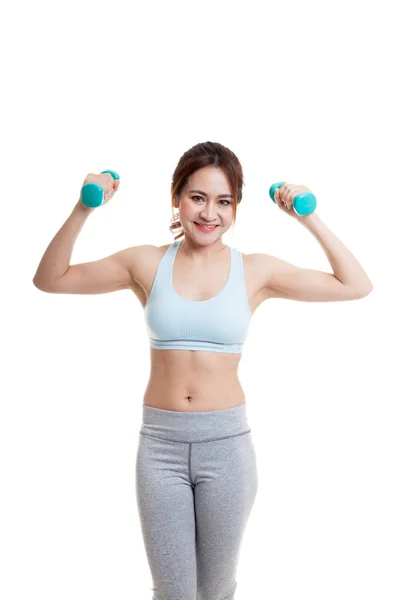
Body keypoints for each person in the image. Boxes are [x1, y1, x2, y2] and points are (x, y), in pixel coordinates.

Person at [33, 141, 373, 599]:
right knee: (173, 592)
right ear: (176, 198)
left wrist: (306, 215)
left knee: (214, 592)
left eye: (223, 201)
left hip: (226, 447)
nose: (209, 213)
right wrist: (84, 206)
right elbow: (50, 279)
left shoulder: (255, 270)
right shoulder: (146, 262)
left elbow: (356, 285)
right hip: (160, 448)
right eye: (197, 197)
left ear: (235, 208)